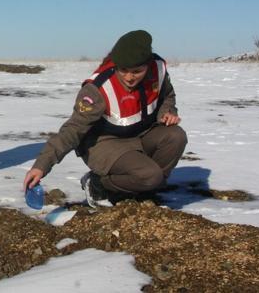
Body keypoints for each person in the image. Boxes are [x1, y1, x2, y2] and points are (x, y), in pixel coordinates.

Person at [23, 30, 187, 207]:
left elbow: (167, 94)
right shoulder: (97, 90)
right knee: (150, 176)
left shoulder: (158, 69)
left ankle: (142, 191)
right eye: (123, 70)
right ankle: (97, 185)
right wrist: (41, 165)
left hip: (140, 135)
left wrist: (167, 111)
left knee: (176, 136)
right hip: (104, 143)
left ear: (147, 65)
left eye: (137, 71)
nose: (129, 77)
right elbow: (71, 130)